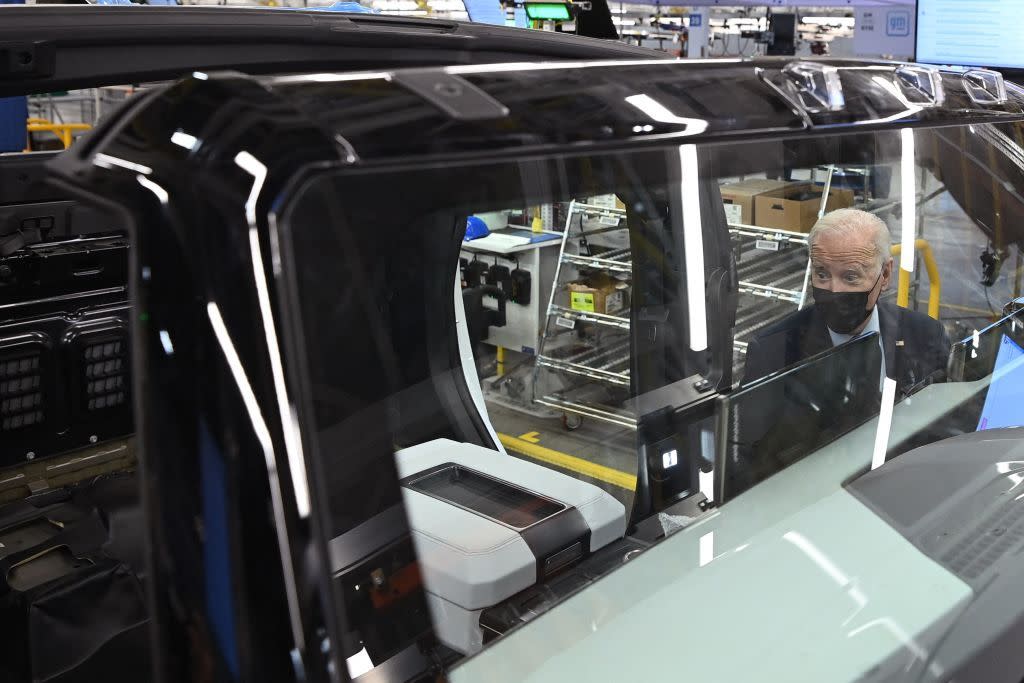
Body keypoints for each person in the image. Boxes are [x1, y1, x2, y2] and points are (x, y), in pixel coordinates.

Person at [743, 208, 951, 396]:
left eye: (850, 277)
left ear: (885, 275)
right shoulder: (773, 353)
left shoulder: (926, 335)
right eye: (822, 274)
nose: (834, 291)